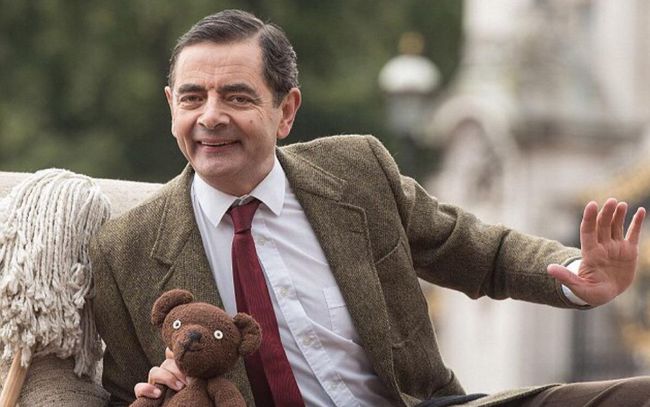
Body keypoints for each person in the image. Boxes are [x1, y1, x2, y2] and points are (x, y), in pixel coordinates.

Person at [89, 9, 650, 407]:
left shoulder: (356, 170)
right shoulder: (125, 250)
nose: (210, 116)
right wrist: (155, 395)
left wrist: (576, 274)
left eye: (237, 97)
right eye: (192, 97)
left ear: (286, 112)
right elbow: (119, 395)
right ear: (172, 106)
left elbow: (478, 252)